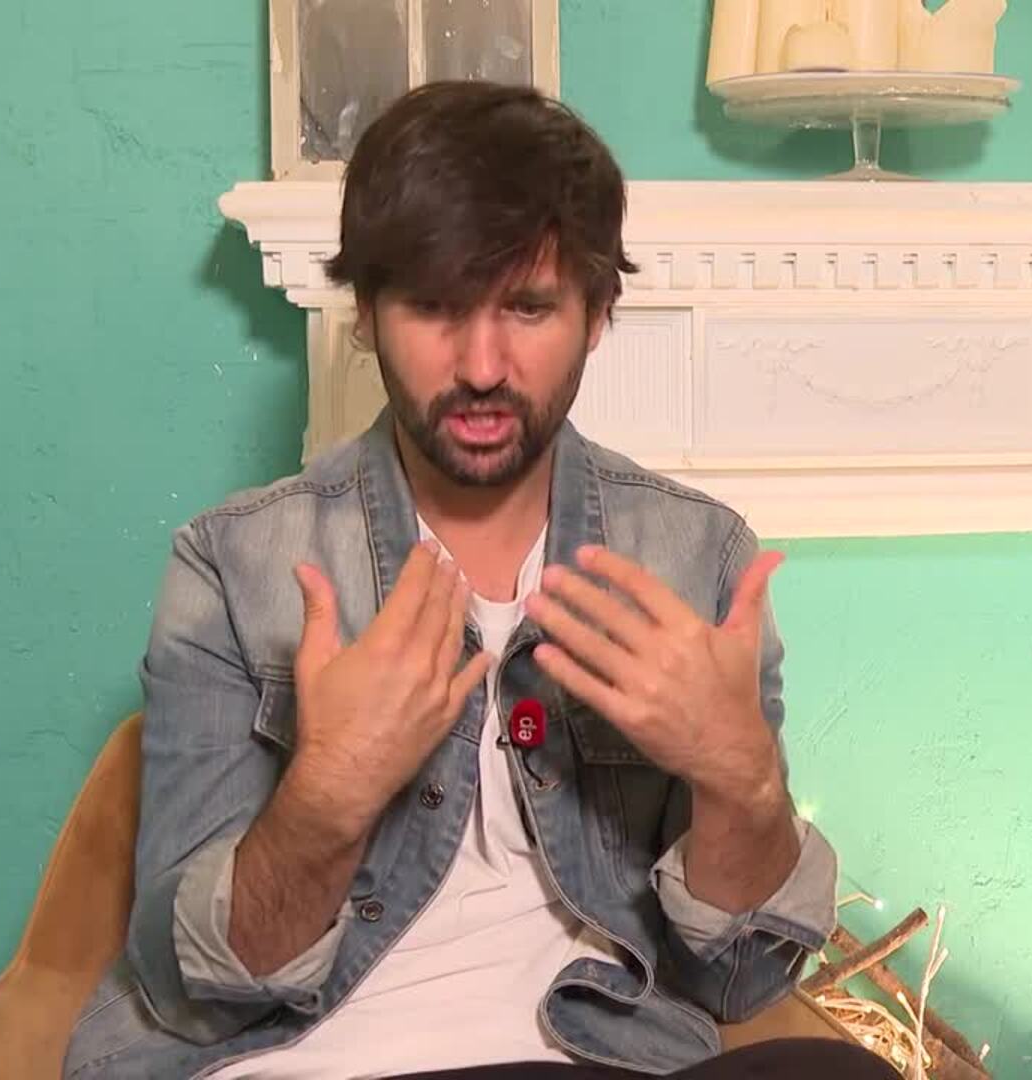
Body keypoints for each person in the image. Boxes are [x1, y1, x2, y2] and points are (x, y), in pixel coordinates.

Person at [64, 80, 886, 1080]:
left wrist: (742, 783)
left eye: (529, 307)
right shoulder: (233, 565)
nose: (484, 366)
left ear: (597, 315)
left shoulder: (695, 554)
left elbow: (740, 983)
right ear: (365, 315)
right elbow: (187, 991)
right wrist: (328, 796)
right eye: (434, 307)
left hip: (597, 1054)